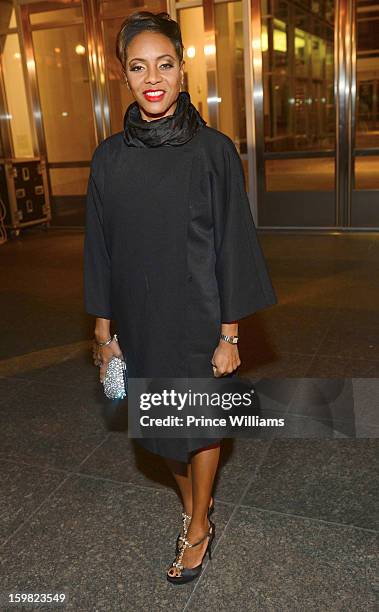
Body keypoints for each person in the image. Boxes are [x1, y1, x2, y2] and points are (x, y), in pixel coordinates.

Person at [83, 11, 277, 585]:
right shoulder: (108, 160)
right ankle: (197, 502)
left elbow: (234, 246)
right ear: (123, 76)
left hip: (199, 316)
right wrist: (103, 332)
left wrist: (230, 334)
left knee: (200, 426)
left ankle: (197, 525)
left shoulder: (213, 152)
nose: (153, 77)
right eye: (138, 66)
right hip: (140, 320)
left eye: (164, 64)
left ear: (184, 71)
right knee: (163, 434)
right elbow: (100, 250)